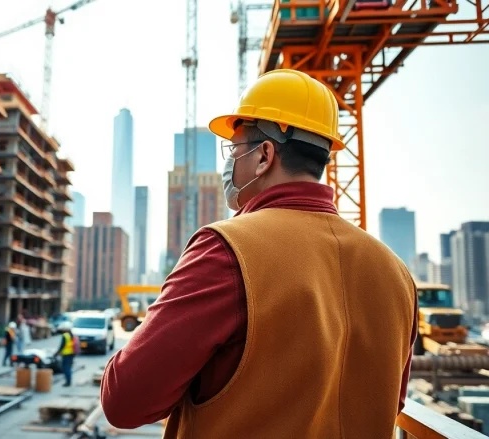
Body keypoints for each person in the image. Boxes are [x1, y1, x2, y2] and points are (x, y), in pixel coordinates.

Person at [100, 69, 417, 438]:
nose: (229, 165)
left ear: (265, 155)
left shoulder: (225, 250)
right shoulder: (396, 273)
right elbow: (387, 402)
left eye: (234, 151)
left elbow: (125, 401)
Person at [55, 321, 77, 387]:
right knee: (69, 367)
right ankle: (69, 381)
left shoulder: (65, 335)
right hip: (71, 353)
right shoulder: (71, 334)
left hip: (66, 354)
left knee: (66, 368)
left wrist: (56, 353)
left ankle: (68, 382)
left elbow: (62, 346)